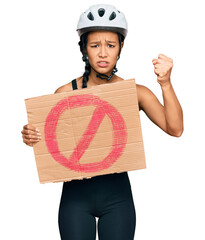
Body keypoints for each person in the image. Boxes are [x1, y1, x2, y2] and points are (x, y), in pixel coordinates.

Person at [21, 4, 184, 240]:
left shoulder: (135, 92)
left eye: (110, 45)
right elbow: (46, 140)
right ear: (84, 48)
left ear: (120, 48)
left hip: (117, 198)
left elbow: (175, 128)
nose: (103, 53)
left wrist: (166, 83)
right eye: (95, 45)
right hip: (75, 199)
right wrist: (29, 135)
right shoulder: (65, 92)